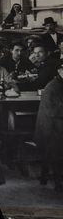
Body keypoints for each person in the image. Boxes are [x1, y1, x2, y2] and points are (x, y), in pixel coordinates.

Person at [34, 59, 63, 192]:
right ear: (60, 70)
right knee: (57, 148)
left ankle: (45, 176)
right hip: (50, 130)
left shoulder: (59, 84)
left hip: (56, 126)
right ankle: (59, 182)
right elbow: (55, 112)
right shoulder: (53, 87)